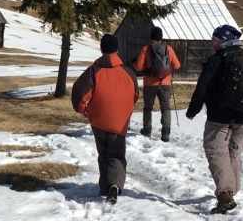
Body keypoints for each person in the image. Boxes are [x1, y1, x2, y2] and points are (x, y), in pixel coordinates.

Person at [185, 24, 243, 214]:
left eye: (214, 39)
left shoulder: (216, 61)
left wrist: (193, 110)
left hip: (219, 118)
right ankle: (233, 189)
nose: (211, 42)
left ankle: (225, 195)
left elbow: (202, 89)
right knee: (233, 153)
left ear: (222, 41)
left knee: (216, 153)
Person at [71, 34, 140, 204]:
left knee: (104, 153)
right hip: (120, 121)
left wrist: (83, 110)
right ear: (116, 50)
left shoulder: (94, 71)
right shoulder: (128, 72)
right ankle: (114, 185)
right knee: (116, 154)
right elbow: (135, 95)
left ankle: (104, 187)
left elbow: (80, 95)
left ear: (101, 49)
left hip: (99, 120)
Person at [134, 26, 181, 142]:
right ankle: (165, 133)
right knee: (165, 107)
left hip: (150, 83)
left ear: (151, 37)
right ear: (161, 37)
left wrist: (135, 63)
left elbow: (139, 67)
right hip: (165, 83)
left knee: (148, 107)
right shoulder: (168, 48)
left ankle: (147, 129)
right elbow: (177, 65)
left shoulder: (146, 49)